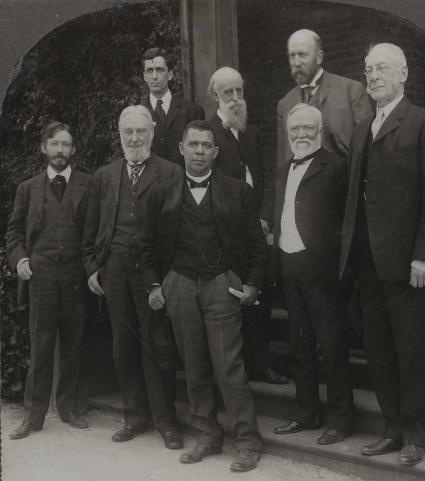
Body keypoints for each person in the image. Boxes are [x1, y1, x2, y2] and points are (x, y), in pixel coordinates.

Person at [339, 43, 425, 467]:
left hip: (411, 265)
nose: (372, 76)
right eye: (368, 69)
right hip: (369, 262)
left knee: (412, 351)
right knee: (379, 350)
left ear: (403, 74)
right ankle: (391, 428)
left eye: (382, 68)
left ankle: (415, 433)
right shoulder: (361, 129)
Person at [141, 120, 266, 472]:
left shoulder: (236, 190)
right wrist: (155, 284)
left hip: (220, 285)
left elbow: (257, 246)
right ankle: (208, 435)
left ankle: (247, 441)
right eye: (192, 144)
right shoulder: (162, 191)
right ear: (181, 149)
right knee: (194, 366)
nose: (199, 151)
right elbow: (145, 244)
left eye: (205, 146)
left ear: (216, 151)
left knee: (229, 367)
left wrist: (252, 284)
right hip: (178, 285)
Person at [83, 105, 182, 448]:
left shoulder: (170, 173)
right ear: (120, 136)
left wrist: (166, 277)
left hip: (152, 273)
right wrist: (92, 267)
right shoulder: (105, 176)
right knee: (122, 346)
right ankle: (135, 416)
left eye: (141, 132)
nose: (135, 138)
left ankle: (166, 421)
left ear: (152, 134)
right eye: (129, 133)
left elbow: (174, 232)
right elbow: (91, 228)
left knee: (157, 344)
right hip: (115, 271)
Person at [270, 104, 354, 445]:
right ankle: (306, 412)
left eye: (307, 128)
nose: (301, 135)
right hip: (290, 267)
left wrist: (341, 270)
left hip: (323, 271)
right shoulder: (281, 170)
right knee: (299, 345)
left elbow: (348, 225)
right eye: (295, 130)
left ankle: (341, 418)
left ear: (320, 131)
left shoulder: (336, 167)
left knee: (332, 346)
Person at [6, 121, 91, 439]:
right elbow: (14, 233)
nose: (60, 150)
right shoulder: (28, 188)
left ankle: (68, 408)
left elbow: (95, 231)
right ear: (44, 148)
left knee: (73, 344)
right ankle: (34, 415)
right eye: (55, 144)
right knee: (41, 347)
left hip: (75, 278)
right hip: (41, 278)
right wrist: (20, 260)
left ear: (73, 150)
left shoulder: (88, 184)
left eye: (66, 144)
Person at [206, 66, 287, 385]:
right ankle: (234, 371)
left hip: (256, 229)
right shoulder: (207, 133)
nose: (236, 98)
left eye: (239, 91)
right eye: (229, 92)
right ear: (215, 95)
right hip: (226, 232)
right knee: (229, 300)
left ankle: (262, 363)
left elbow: (264, 178)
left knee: (260, 294)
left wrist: (265, 217)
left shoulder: (251, 132)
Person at [277, 29, 372, 163]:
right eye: (292, 56)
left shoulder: (351, 90)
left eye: (303, 55)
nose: (296, 62)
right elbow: (283, 163)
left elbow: (367, 150)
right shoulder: (285, 103)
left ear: (319, 57)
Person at [140, 47, 205, 166]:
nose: (154, 76)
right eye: (150, 71)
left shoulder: (192, 111)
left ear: (170, 74)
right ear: (144, 76)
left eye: (159, 70)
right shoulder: (137, 113)